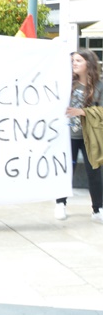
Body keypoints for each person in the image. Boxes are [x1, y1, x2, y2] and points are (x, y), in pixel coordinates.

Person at [59, 49, 103, 222]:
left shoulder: (99, 87)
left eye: (78, 61)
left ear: (88, 64)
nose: (74, 63)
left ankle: (97, 209)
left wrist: (82, 112)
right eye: (73, 61)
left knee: (94, 172)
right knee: (65, 171)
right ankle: (60, 203)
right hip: (67, 137)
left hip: (88, 137)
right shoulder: (66, 84)